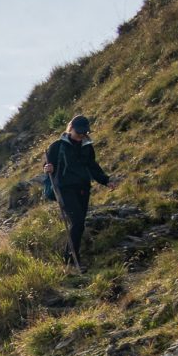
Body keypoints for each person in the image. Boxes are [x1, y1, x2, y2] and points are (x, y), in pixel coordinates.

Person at [44, 114, 112, 271]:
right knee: (77, 222)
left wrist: (106, 180)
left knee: (79, 224)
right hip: (64, 189)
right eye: (79, 132)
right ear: (71, 128)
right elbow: (48, 166)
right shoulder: (57, 146)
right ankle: (74, 261)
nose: (81, 135)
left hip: (83, 188)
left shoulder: (87, 146)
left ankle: (69, 258)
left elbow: (92, 166)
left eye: (84, 133)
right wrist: (48, 168)